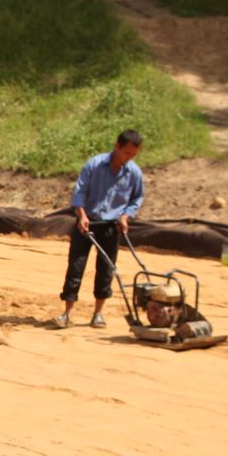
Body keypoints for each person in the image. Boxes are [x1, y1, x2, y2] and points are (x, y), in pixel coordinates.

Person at [53, 128, 143, 329]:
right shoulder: (94, 165)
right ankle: (67, 313)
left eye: (133, 155)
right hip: (86, 224)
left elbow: (137, 198)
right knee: (76, 267)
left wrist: (126, 216)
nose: (129, 158)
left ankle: (98, 314)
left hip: (111, 227)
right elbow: (79, 193)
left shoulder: (134, 172)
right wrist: (82, 216)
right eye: (127, 153)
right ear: (117, 146)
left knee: (106, 270)